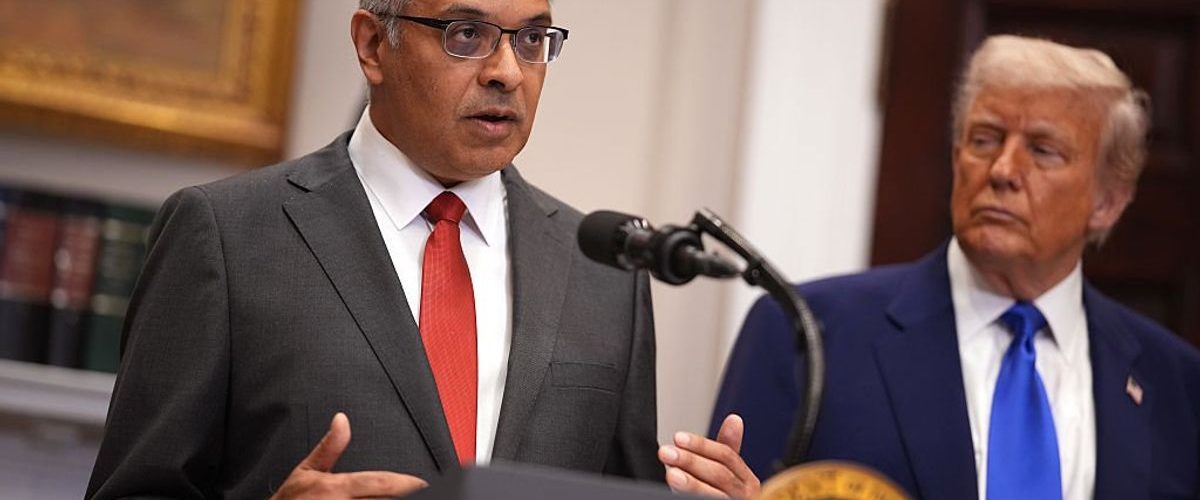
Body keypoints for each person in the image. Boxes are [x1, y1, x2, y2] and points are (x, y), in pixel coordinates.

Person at [86, 1, 673, 498]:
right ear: (372, 46)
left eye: (531, 40)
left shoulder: (607, 271)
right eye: (467, 34)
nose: (507, 72)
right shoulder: (225, 234)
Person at [706, 35, 1200, 499]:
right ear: (956, 156)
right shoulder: (806, 332)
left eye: (1043, 151)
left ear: (1108, 201)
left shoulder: (1177, 383)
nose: (1002, 170)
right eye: (984, 140)